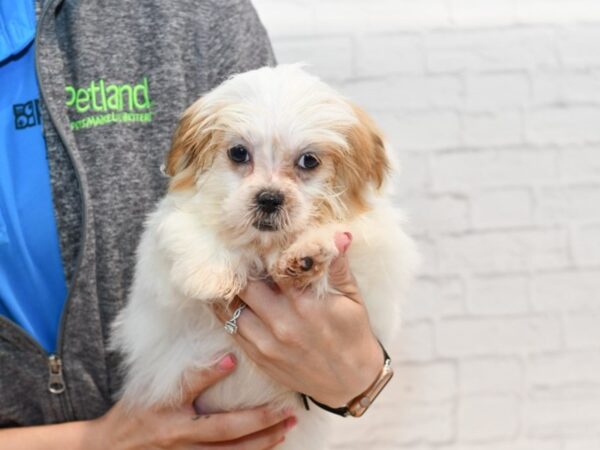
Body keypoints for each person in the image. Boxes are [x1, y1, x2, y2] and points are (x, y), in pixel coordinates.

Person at [0, 0, 385, 448]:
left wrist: (359, 376)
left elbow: (350, 361)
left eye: (307, 163)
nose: (270, 188)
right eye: (240, 156)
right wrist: (99, 440)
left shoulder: (206, 14)